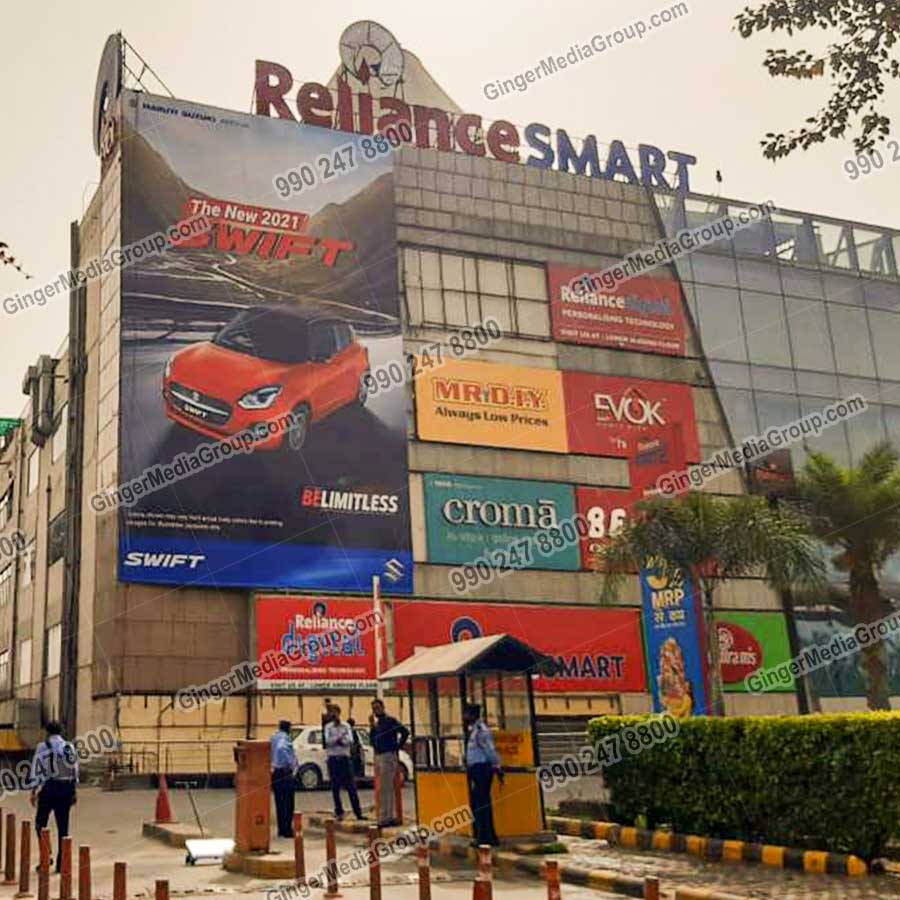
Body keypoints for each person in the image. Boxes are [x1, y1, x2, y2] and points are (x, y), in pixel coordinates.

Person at [29, 721, 78, 872]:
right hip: (66, 788)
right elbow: (74, 770)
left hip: (50, 788)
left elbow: (37, 769)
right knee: (63, 828)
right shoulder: (69, 747)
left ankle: (46, 856)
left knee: (40, 824)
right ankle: (61, 864)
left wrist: (33, 790)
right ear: (61, 732)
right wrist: (74, 791)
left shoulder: (43, 747)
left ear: (47, 732)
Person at [463, 703, 503, 847]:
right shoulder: (473, 730)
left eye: (467, 714)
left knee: (482, 804)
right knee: (477, 804)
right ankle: (483, 835)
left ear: (473, 715)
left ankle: (486, 837)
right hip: (475, 770)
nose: (464, 717)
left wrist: (497, 767)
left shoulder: (481, 731)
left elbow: (490, 750)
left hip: (483, 770)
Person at [369, 699, 409, 827]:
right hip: (379, 756)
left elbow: (404, 732)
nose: (376, 711)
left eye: (377, 708)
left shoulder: (390, 721)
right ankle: (388, 815)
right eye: (374, 709)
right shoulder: (377, 724)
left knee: (386, 788)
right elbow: (372, 741)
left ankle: (385, 818)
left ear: (383, 707)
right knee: (384, 788)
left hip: (388, 755)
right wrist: (371, 727)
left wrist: (396, 747)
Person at [324, 705, 364, 821]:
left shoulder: (346, 726)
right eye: (330, 712)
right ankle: (339, 811)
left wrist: (337, 740)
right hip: (333, 759)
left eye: (334, 712)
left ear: (338, 713)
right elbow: (328, 741)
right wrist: (340, 738)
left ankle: (358, 812)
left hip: (345, 759)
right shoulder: (328, 727)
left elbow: (350, 741)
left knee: (351, 787)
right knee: (335, 788)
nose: (332, 715)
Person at [270, 720, 298, 839]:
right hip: (285, 772)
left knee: (279, 803)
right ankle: (287, 830)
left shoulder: (274, 737)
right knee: (289, 803)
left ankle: (281, 830)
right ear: (288, 729)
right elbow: (282, 749)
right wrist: (290, 764)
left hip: (275, 772)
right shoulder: (284, 738)